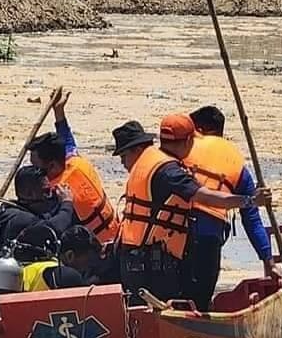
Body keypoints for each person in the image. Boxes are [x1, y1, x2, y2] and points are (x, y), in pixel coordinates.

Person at [111, 120, 270, 304]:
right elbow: (206, 197)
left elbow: (202, 197)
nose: (123, 163)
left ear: (137, 150)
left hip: (135, 262)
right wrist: (250, 201)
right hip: (151, 266)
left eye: (123, 156)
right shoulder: (164, 169)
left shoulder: (154, 167)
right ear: (188, 141)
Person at [159, 110, 276, 311]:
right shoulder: (236, 163)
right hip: (207, 240)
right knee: (199, 306)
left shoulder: (180, 149)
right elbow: (252, 219)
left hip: (170, 235)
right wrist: (268, 260)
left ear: (198, 130)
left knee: (169, 300)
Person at [29, 91, 120, 243]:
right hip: (115, 232)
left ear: (51, 165)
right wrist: (59, 111)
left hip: (97, 250)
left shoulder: (59, 191)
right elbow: (67, 141)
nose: (33, 171)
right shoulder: (76, 162)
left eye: (36, 166)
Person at [0, 165, 75, 269]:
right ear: (30, 194)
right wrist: (67, 202)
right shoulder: (21, 220)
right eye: (46, 191)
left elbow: (45, 218)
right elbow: (54, 227)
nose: (50, 195)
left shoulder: (7, 211)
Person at [21, 226, 101, 292]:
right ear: (70, 255)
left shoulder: (38, 266)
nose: (90, 267)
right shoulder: (66, 275)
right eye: (89, 261)